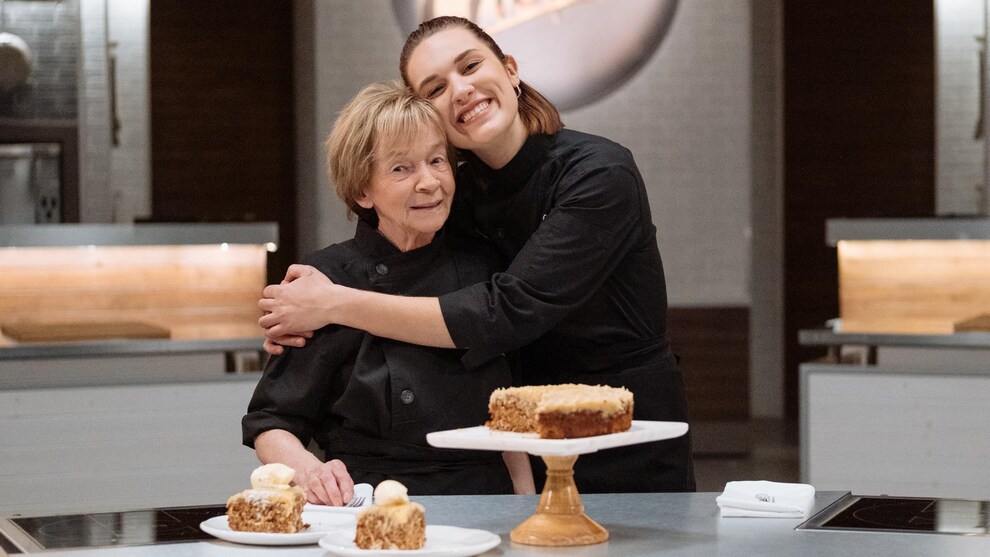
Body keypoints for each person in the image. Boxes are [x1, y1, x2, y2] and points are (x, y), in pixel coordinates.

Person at [259, 16, 696, 493]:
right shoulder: (456, 194)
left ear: (510, 69)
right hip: (520, 429)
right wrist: (301, 318)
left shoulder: (597, 173)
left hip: (622, 429)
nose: (461, 90)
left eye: (470, 66)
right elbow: (388, 242)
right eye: (436, 88)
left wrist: (335, 304)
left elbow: (504, 311)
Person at [242, 80, 534, 505]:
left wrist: (524, 500)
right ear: (363, 190)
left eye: (437, 160)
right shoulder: (324, 279)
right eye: (402, 168)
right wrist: (309, 470)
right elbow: (272, 420)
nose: (430, 182)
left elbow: (509, 413)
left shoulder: (484, 266)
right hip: (368, 504)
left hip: (483, 500)